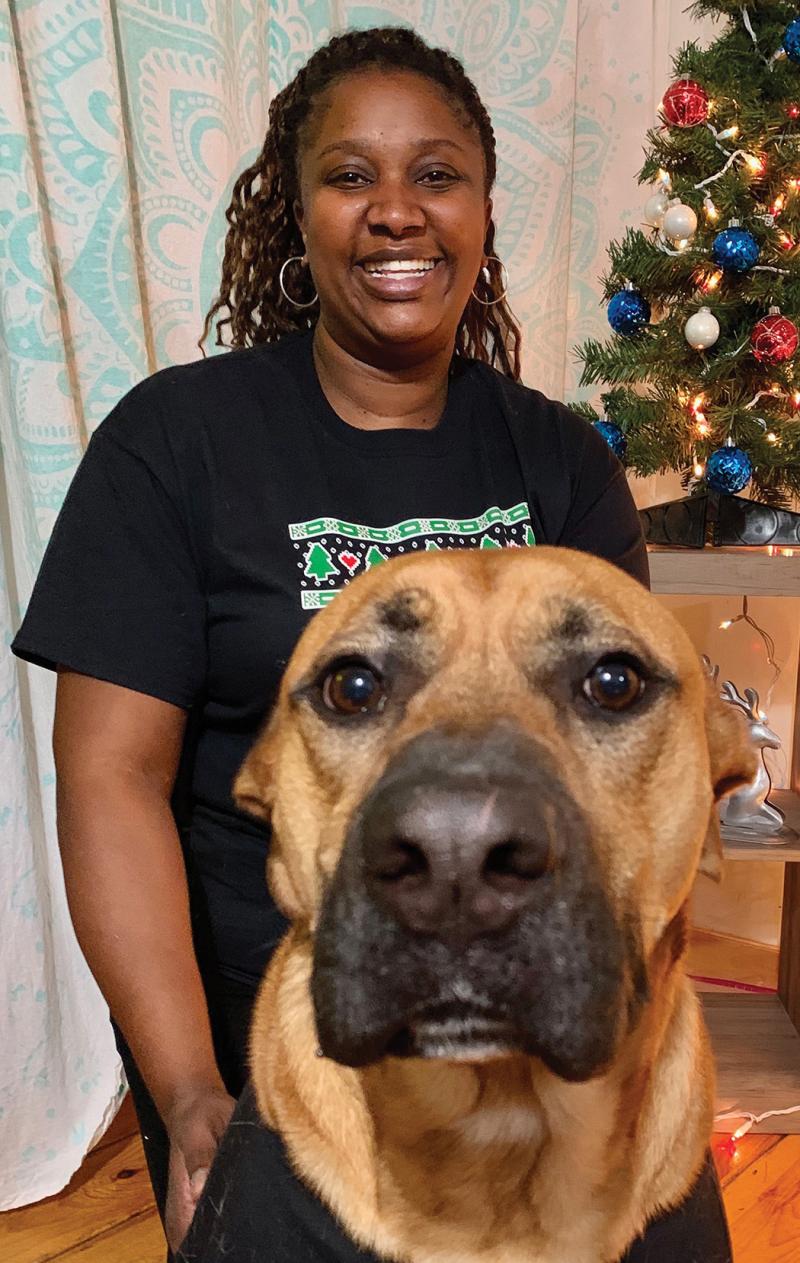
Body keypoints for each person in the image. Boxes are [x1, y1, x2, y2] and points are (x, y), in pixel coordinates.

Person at [11, 25, 729, 1263]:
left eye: (435, 174)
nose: (396, 211)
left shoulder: (562, 457)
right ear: (296, 215)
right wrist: (191, 1099)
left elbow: (638, 759)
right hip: (285, 1034)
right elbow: (111, 778)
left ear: (484, 209)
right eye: (351, 176)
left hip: (575, 1043)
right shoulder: (174, 442)